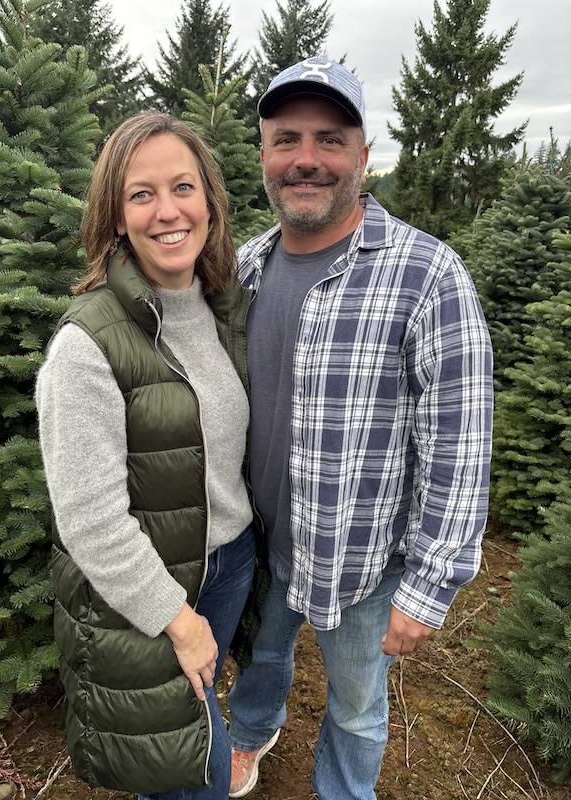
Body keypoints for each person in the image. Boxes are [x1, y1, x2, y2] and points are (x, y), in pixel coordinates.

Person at [227, 56, 493, 800]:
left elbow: (460, 441)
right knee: (262, 656)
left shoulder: (428, 274)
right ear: (264, 156)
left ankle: (344, 791)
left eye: (330, 138)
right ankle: (250, 735)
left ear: (363, 156)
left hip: (362, 560)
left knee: (355, 703)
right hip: (259, 536)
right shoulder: (246, 266)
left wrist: (430, 586)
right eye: (287, 139)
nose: (306, 158)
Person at [35, 112, 267, 799]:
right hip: (152, 592)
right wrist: (178, 619)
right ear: (115, 217)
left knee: (173, 747)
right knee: (193, 772)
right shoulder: (87, 345)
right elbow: (90, 520)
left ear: (209, 204)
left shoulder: (224, 309)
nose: (168, 211)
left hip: (227, 563)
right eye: (142, 194)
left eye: (183, 188)